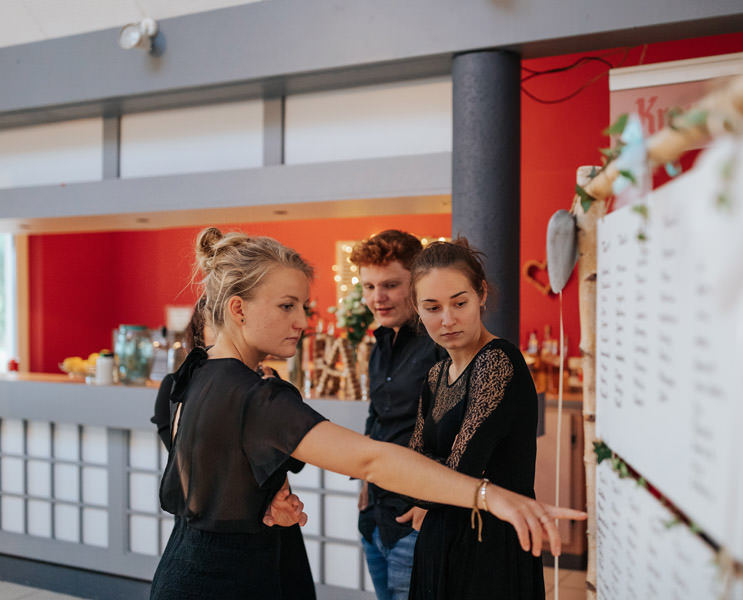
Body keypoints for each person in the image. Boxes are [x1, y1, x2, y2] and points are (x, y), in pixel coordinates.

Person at [149, 227, 584, 600]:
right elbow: (372, 459)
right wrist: (491, 495)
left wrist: (260, 496)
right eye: (287, 306)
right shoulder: (258, 397)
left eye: (303, 306)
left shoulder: (190, 376)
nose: (302, 321)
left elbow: (201, 457)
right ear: (239, 309)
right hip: (233, 580)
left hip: (182, 568)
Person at [406, 238, 546, 599]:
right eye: (432, 307)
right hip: (442, 539)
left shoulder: (496, 362)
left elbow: (459, 471)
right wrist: (423, 477)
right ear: (417, 309)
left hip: (489, 544)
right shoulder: (437, 375)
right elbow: (413, 463)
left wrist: (424, 477)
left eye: (460, 302)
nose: (448, 319)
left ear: (481, 294)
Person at [151, 297, 317, 598]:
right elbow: (196, 461)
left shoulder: (266, 388)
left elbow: (293, 461)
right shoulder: (183, 386)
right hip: (210, 537)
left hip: (275, 534)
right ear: (201, 334)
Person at [349, 230, 445, 600]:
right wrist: (364, 483)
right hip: (375, 516)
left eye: (390, 285)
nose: (378, 298)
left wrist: (429, 503)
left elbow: (459, 434)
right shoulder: (380, 343)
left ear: (417, 282)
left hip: (415, 522)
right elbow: (378, 419)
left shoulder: (440, 343)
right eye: (369, 286)